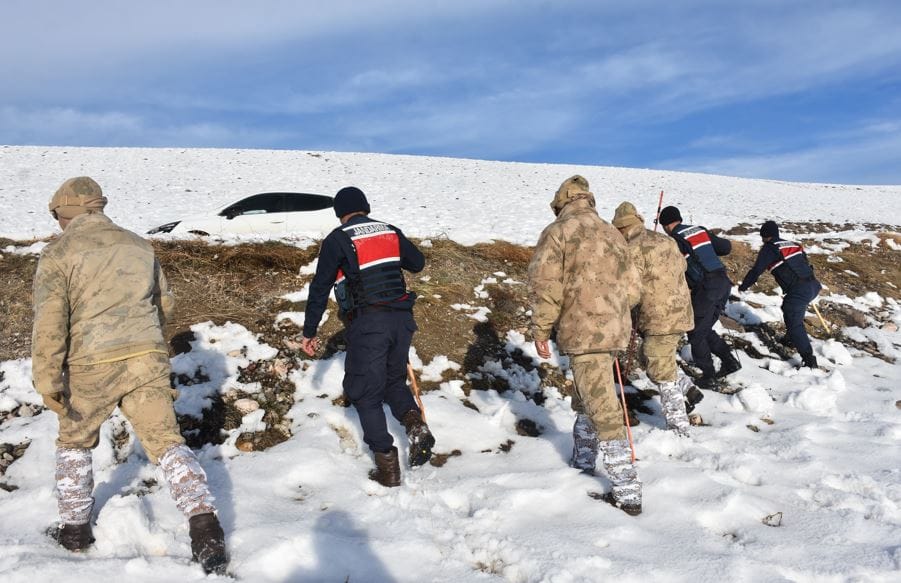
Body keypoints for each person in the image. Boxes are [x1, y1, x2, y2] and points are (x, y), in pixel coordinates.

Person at [32, 177, 227, 574]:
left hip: (91, 363)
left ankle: (74, 532)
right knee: (168, 443)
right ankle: (206, 531)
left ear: (66, 212)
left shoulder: (58, 253)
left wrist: (47, 378)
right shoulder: (140, 245)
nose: (57, 224)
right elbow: (164, 303)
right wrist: (147, 341)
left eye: (57, 216)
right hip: (146, 357)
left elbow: (49, 322)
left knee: (74, 442)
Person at [300, 186, 434, 487]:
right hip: (402, 320)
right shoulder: (390, 231)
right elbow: (417, 263)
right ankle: (415, 426)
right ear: (366, 207)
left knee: (364, 391)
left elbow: (320, 287)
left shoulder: (338, 239)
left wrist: (309, 331)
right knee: (393, 381)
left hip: (369, 323)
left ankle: (387, 467)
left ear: (340, 213)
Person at [528, 175, 643, 515]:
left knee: (602, 407)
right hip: (614, 329)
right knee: (588, 397)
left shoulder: (558, 232)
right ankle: (583, 461)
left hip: (583, 330)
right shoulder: (612, 233)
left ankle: (627, 491)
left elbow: (546, 286)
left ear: (561, 203)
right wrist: (612, 311)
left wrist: (541, 329)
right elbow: (634, 288)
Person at [611, 202, 696, 435]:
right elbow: (683, 265)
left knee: (659, 368)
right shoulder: (666, 240)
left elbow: (630, 289)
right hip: (681, 310)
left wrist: (617, 311)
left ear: (621, 228)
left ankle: (679, 426)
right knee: (650, 356)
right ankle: (687, 387)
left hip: (660, 317)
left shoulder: (632, 248)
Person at [659, 205, 740, 390]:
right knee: (704, 329)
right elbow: (725, 247)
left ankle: (708, 375)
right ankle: (730, 362)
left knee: (695, 331)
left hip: (707, 287)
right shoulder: (699, 230)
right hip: (723, 283)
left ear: (666, 225)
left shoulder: (674, 240)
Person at [738, 220, 822, 368]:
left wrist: (743, 286)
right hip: (813, 285)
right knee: (791, 311)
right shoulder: (792, 244)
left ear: (765, 236)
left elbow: (756, 270)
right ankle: (791, 339)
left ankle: (809, 360)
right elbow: (805, 262)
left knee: (793, 318)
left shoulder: (770, 248)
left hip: (799, 289)